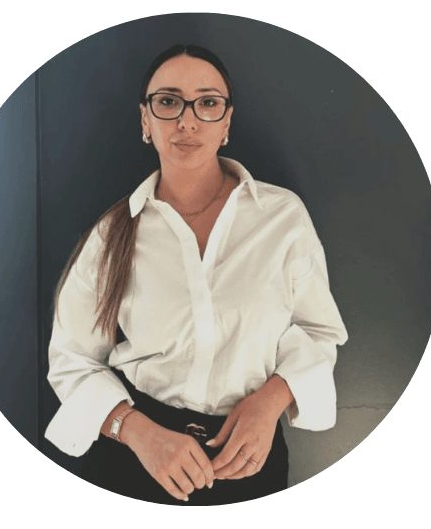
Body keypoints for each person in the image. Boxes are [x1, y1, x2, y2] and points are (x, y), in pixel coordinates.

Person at [44, 44, 348, 506]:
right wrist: (138, 432)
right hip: (136, 463)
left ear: (226, 123)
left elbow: (319, 331)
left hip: (250, 459)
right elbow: (71, 360)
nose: (187, 120)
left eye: (207, 103)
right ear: (146, 120)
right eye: (168, 101)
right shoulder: (111, 235)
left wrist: (271, 401)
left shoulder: (282, 217)